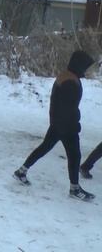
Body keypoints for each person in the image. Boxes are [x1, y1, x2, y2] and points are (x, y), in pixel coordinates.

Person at [13, 50, 96, 201]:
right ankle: (75, 189)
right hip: (66, 125)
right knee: (75, 155)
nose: (86, 69)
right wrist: (73, 125)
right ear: (79, 65)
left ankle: (21, 171)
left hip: (58, 122)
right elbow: (68, 108)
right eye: (85, 66)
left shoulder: (67, 76)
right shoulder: (70, 81)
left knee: (44, 147)